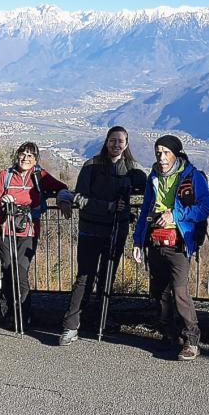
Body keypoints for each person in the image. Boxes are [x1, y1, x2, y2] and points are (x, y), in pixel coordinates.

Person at [59, 126, 146, 346]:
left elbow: (146, 188)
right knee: (84, 278)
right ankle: (71, 325)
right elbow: (79, 197)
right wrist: (107, 206)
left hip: (116, 230)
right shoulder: (91, 166)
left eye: (121, 141)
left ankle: (100, 320)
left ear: (126, 144)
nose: (116, 145)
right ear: (106, 142)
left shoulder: (132, 169)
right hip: (91, 228)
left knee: (108, 276)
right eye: (112, 140)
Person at [133, 135, 209, 361]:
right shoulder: (154, 177)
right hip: (156, 240)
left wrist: (174, 216)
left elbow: (204, 207)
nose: (161, 156)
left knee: (179, 291)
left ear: (176, 154)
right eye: (158, 152)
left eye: (166, 152)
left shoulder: (192, 176)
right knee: (159, 292)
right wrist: (138, 240)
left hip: (179, 242)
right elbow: (147, 209)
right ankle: (169, 334)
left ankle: (191, 339)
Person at [0, 142, 71, 331]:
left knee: (20, 270)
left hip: (29, 231)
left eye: (30, 156)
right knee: (8, 269)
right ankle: (9, 312)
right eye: (22, 154)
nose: (25, 158)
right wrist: (2, 202)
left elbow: (62, 187)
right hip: (5, 230)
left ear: (35, 160)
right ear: (17, 155)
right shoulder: (5, 175)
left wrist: (63, 199)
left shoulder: (39, 176)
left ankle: (23, 314)